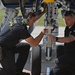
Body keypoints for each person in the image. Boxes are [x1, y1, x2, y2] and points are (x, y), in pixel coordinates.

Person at [0, 6, 47, 75]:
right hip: (3, 50)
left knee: (25, 47)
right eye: (33, 21)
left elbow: (33, 18)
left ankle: (18, 70)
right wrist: (43, 32)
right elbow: (34, 43)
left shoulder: (19, 19)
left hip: (8, 46)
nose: (33, 23)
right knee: (9, 73)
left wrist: (44, 12)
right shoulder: (21, 29)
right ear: (28, 19)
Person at [48, 10, 75, 75]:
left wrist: (56, 39)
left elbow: (69, 39)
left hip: (72, 54)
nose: (66, 21)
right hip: (69, 53)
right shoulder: (67, 28)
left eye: (68, 19)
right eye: (65, 19)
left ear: (74, 18)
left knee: (54, 71)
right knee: (59, 49)